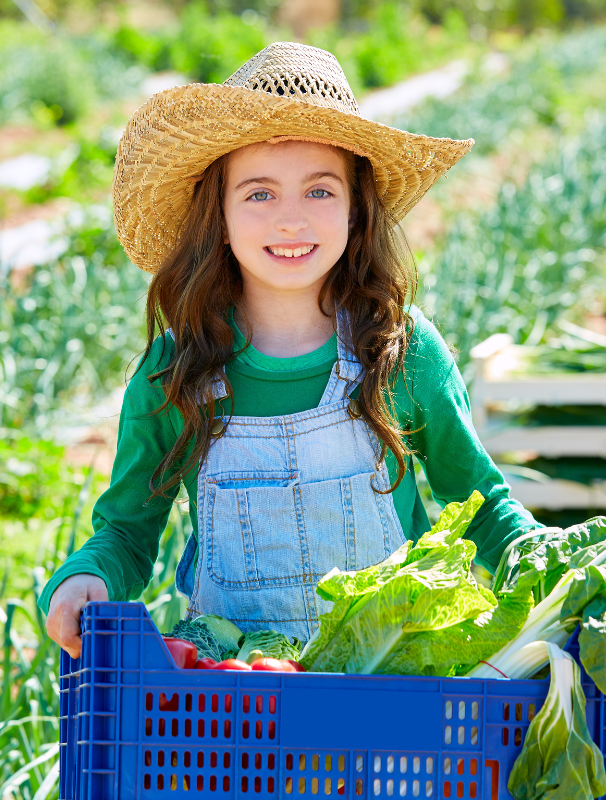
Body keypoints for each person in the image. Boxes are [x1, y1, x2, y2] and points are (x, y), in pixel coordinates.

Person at [40, 42, 541, 659]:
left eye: (319, 191)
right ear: (219, 216)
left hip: (392, 681)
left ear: (355, 210)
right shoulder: (175, 373)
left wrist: (549, 566)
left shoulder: (400, 352)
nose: (290, 220)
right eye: (259, 194)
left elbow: (483, 507)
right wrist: (86, 578)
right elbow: (126, 531)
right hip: (236, 693)